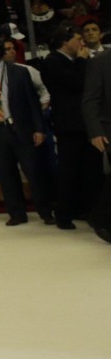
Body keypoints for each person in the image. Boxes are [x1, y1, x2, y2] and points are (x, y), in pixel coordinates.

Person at [0, 34, 54, 226]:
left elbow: (32, 103)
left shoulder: (19, 72)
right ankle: (17, 213)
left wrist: (39, 128)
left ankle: (46, 211)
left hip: (20, 128)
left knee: (34, 173)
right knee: (6, 175)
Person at [40, 25, 100, 230]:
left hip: (82, 124)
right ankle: (64, 213)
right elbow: (76, 83)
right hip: (69, 125)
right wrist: (83, 60)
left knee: (88, 169)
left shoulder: (69, 61)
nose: (82, 43)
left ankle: (84, 208)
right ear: (65, 42)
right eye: (77, 39)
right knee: (68, 170)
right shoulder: (53, 61)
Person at [80, 50, 111, 245]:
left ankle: (100, 217)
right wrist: (95, 131)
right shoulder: (99, 62)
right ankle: (100, 219)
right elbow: (90, 100)